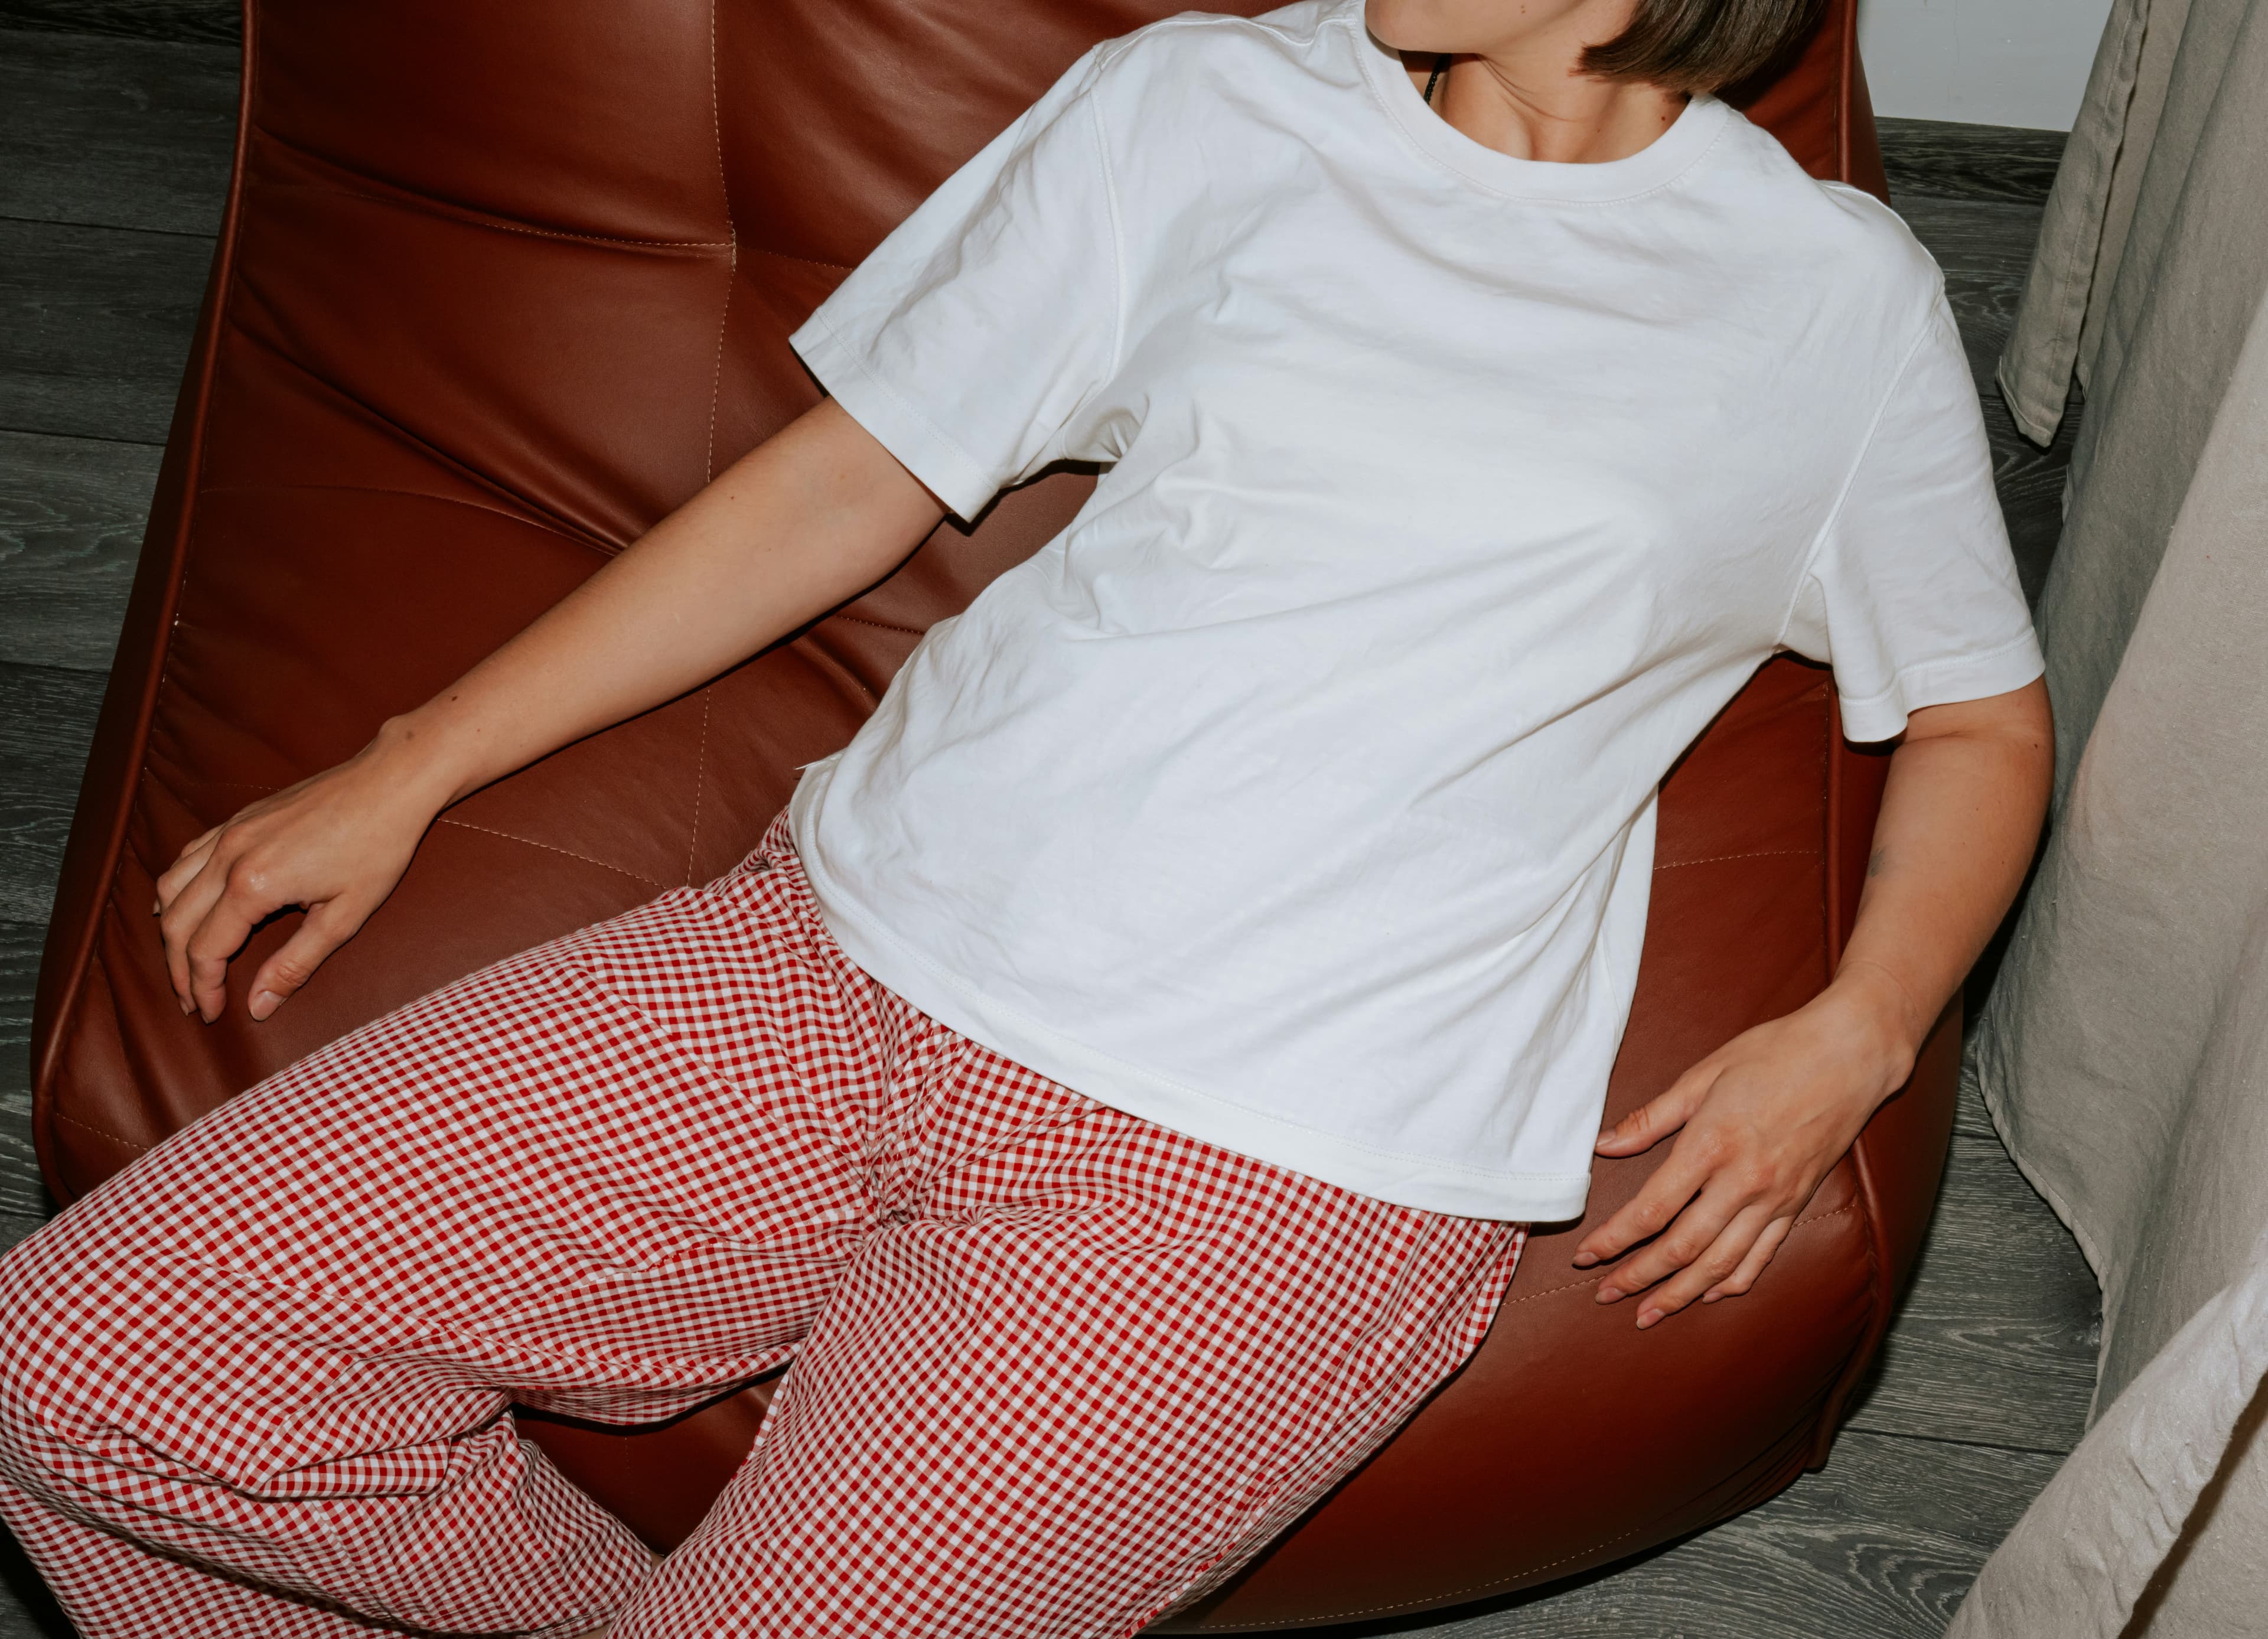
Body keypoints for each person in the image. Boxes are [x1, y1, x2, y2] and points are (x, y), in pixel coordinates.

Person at [0, 0, 2052, 1632]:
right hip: (823, 963)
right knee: (74, 1369)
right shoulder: (1202, 108)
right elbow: (851, 477)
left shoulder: (1820, 295)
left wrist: (1859, 1033)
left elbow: (1976, 718)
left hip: (1273, 1178)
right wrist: (417, 755)